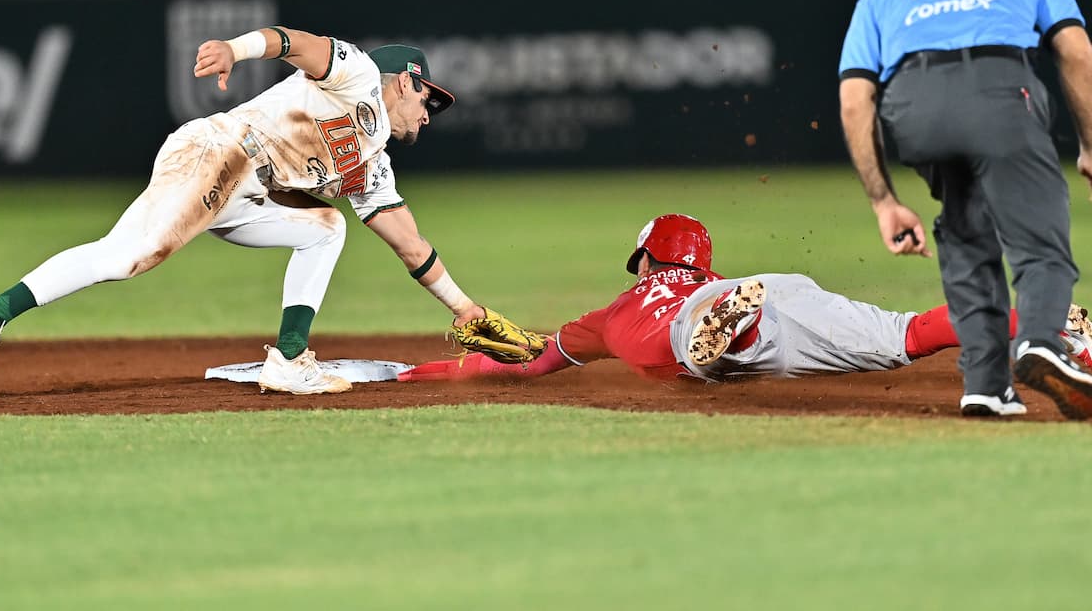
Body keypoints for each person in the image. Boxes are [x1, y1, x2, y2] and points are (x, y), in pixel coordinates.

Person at [0, 29, 502, 400]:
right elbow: (294, 43)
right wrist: (235, 50)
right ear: (405, 80)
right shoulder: (357, 75)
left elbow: (407, 242)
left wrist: (464, 308)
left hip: (253, 196)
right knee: (130, 256)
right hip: (222, 153)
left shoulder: (371, 162)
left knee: (326, 229)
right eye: (428, 101)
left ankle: (288, 360)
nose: (428, 117)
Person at [399, 214, 1092, 417]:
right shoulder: (723, 275)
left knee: (674, 347)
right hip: (773, 288)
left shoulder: (614, 308)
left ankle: (714, 340)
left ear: (643, 258)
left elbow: (528, 363)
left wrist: (413, 374)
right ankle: (1037, 316)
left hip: (707, 320)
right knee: (906, 335)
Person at [837, 0, 1092, 419]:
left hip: (912, 105)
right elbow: (1077, 51)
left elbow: (855, 100)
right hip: (999, 91)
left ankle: (985, 384)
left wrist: (883, 200)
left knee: (964, 224)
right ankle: (1041, 342)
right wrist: (1089, 144)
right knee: (1040, 242)